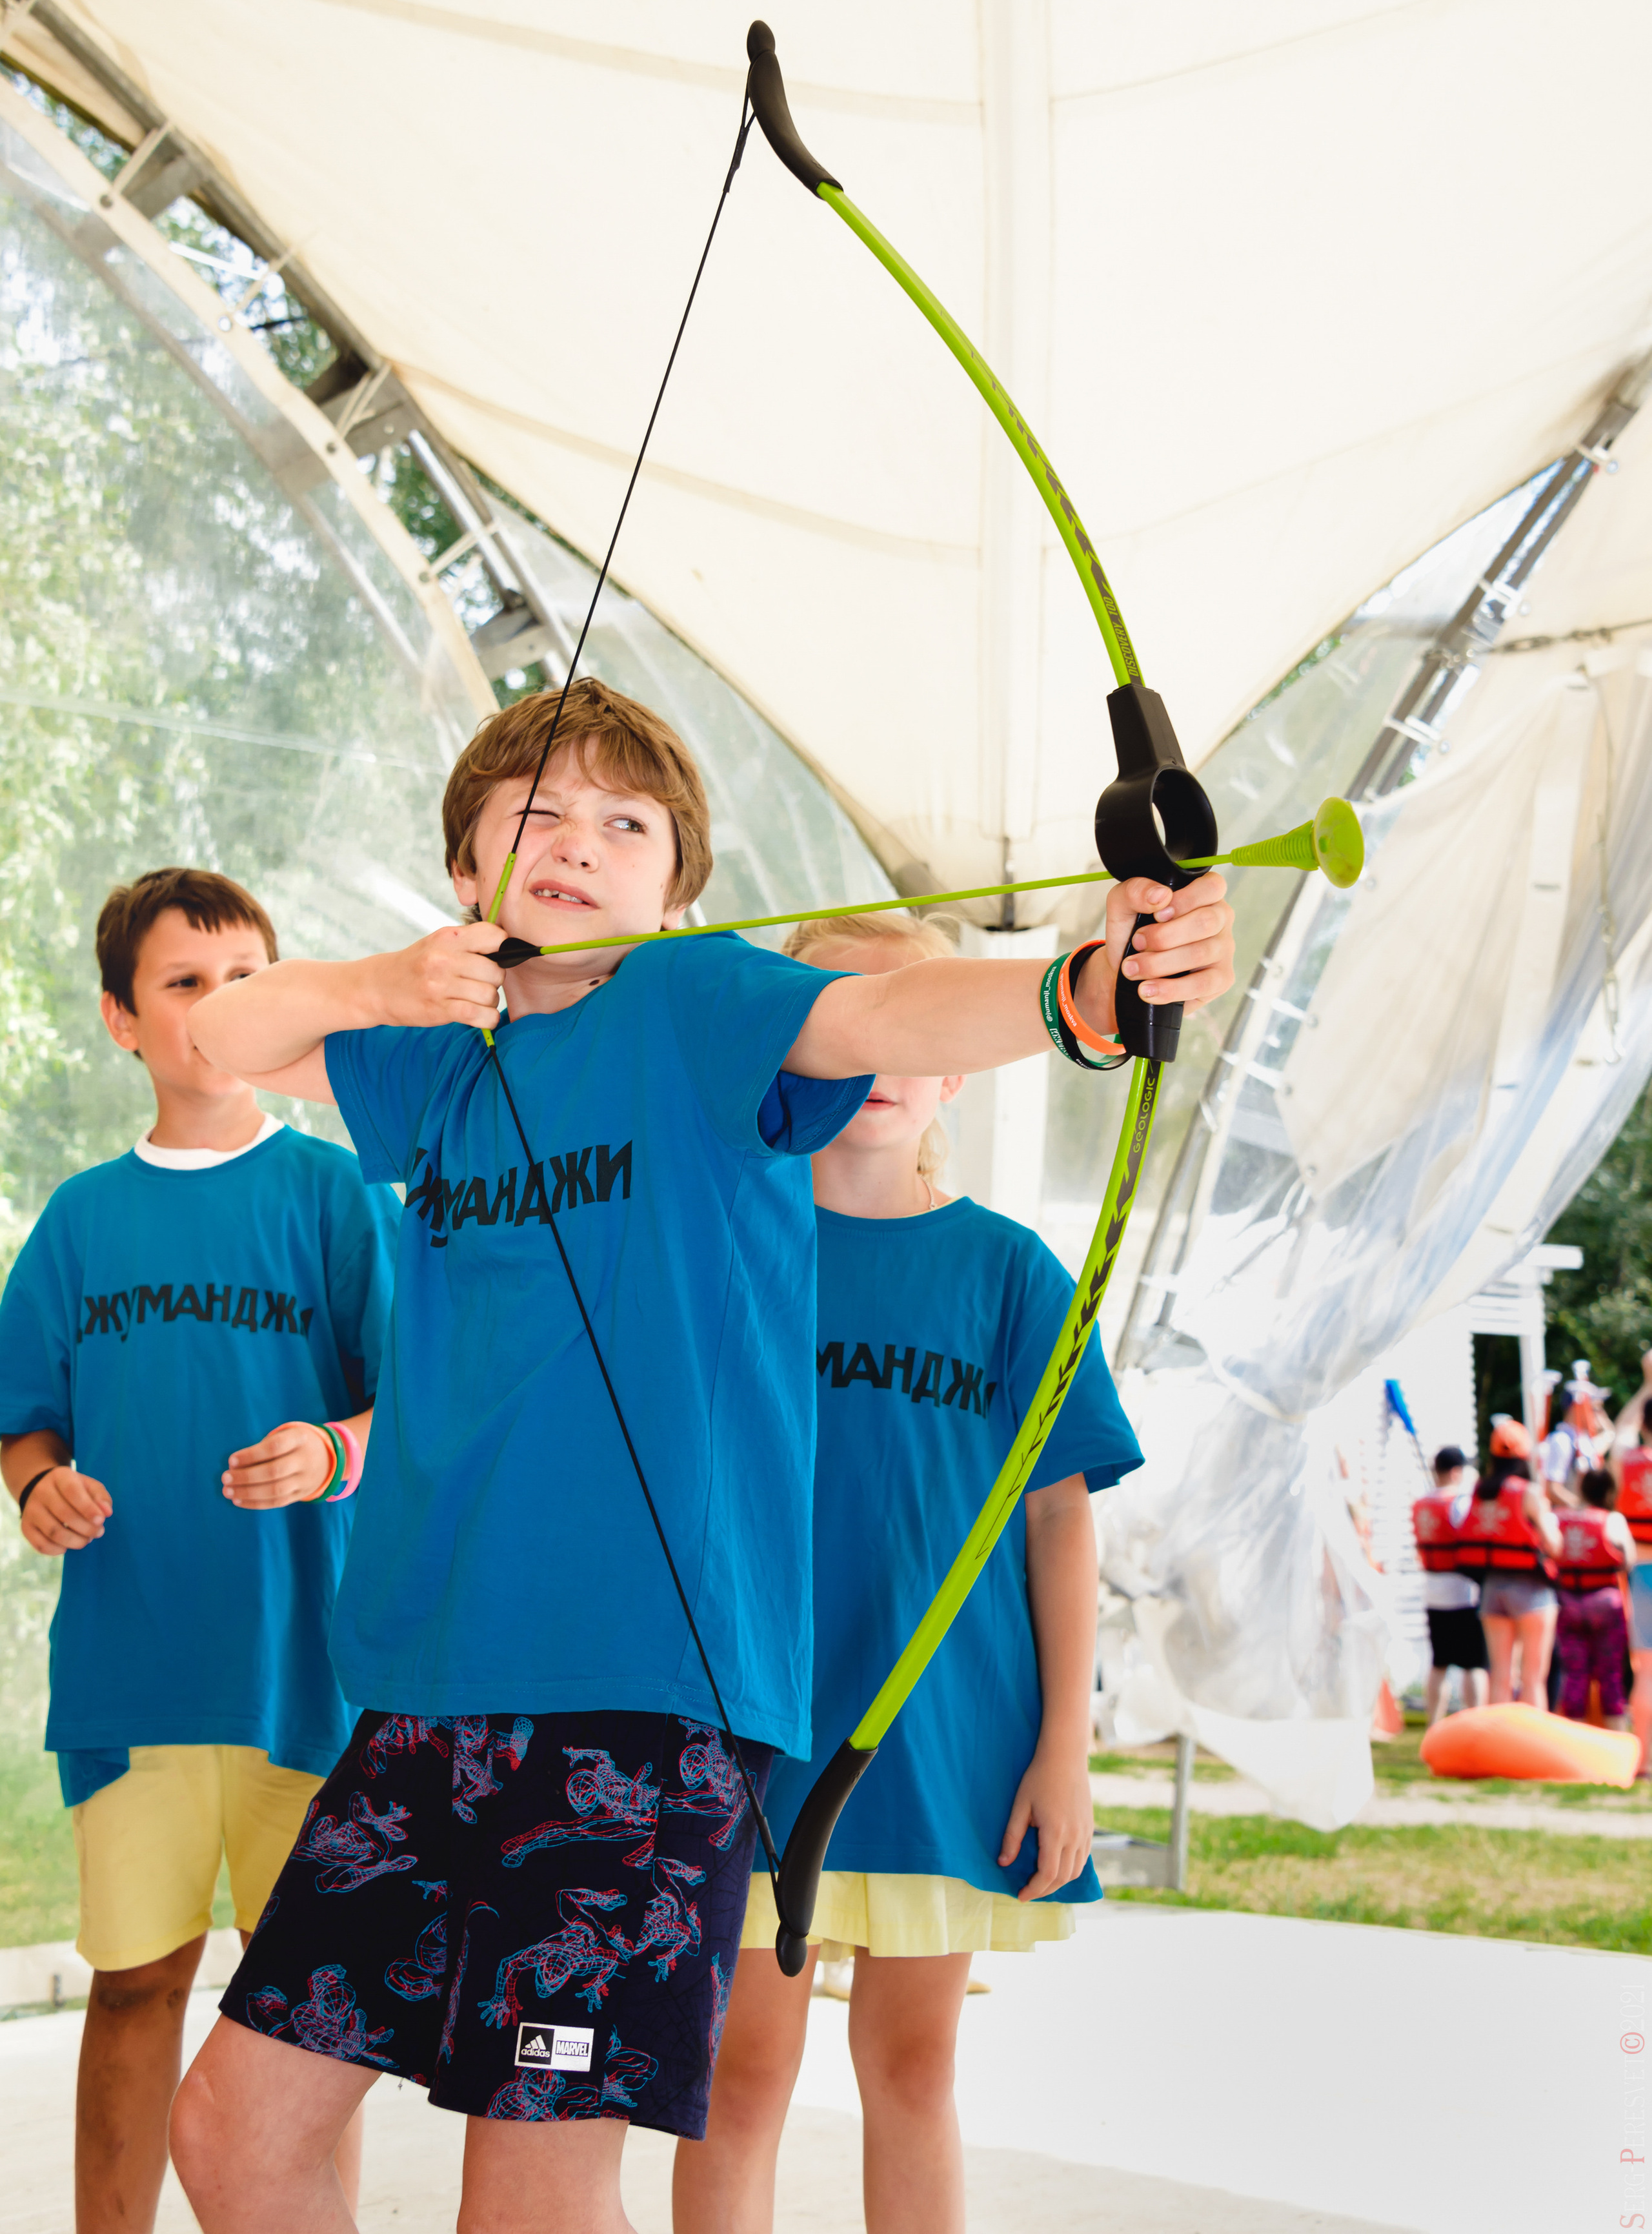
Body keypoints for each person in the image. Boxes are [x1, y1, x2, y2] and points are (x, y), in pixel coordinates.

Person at [165, 680, 1235, 2234]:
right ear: (469, 866)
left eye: (625, 822)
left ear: (680, 887)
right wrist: (386, 979)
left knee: (530, 2195)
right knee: (235, 2132)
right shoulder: (429, 1056)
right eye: (534, 812)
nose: (577, 840)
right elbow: (220, 1031)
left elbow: (882, 1013)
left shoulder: (700, 1005)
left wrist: (1085, 985)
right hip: (422, 1697)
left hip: (639, 1711)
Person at [674, 911, 1143, 2234]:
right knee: (739, 2066)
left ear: (960, 1059)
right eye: (839, 1013)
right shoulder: (720, 1256)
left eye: (913, 1014)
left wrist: (1065, 1744)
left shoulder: (1006, 1272)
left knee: (911, 2062)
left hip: (938, 1736)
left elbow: (1060, 1522)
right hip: (754, 1732)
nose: (879, 1049)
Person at [0, 868, 397, 2234]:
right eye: (184, 982)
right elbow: (24, 1428)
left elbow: (411, 1413)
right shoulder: (78, 1223)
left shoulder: (340, 1196)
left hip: (307, 1678)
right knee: (133, 1988)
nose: (222, 1006)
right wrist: (37, 1486)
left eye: (246, 976)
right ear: (121, 1018)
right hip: (133, 1681)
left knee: (301, 2035)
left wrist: (330, 1452)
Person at [1455, 1421, 1563, 1706]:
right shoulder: (1528, 1493)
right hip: (1531, 1592)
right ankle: (1533, 1745)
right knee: (1533, 1678)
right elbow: (1555, 1546)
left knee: (1501, 1677)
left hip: (1493, 1589)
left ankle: (1499, 1747)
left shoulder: (1479, 1491)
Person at [1552, 1467, 1635, 1727]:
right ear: (1609, 1492)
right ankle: (1618, 1746)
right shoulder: (1613, 1520)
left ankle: (1575, 1748)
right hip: (1606, 1604)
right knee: (1611, 1676)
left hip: (1568, 1603)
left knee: (1575, 1675)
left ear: (1582, 1489)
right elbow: (1629, 1562)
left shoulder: (1558, 1517)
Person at [1411, 1446, 1487, 1721]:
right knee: (1475, 1664)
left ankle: (1434, 1724)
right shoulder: (1460, 1503)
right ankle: (1476, 1722)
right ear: (1456, 1472)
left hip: (1433, 1592)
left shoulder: (1421, 1503)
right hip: (1462, 1591)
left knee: (1439, 1663)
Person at [1609, 1354, 1652, 1777]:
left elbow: (1620, 1432)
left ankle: (1646, 1759)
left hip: (1641, 1573)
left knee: (1647, 1671)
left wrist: (1646, 1384)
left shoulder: (1628, 1460)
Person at [1542, 1362, 1609, 1507]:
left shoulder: (1585, 1440)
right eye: (1595, 1409)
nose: (1600, 1415)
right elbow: (1552, 1489)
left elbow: (1610, 1435)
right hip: (1569, 1523)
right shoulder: (1561, 1441)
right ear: (1575, 1408)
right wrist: (1583, 1510)